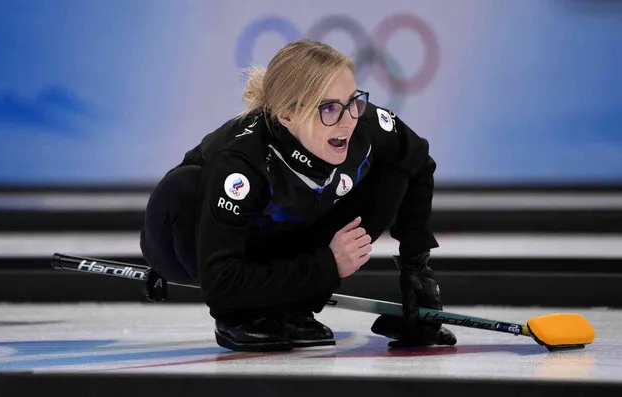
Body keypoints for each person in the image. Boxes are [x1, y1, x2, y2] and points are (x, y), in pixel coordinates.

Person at [140, 39, 456, 352]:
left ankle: (293, 308)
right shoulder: (242, 162)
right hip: (186, 243)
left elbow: (419, 161)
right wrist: (327, 265)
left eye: (353, 100)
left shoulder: (363, 124)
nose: (348, 121)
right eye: (329, 108)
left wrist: (417, 268)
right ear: (287, 116)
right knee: (185, 186)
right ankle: (237, 319)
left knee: (394, 173)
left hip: (281, 230)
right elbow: (221, 284)